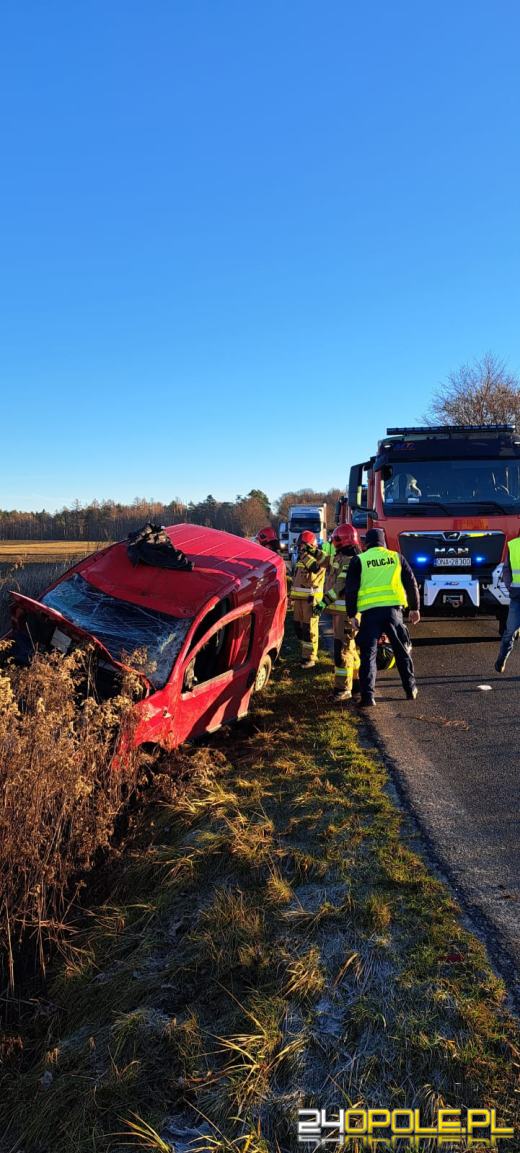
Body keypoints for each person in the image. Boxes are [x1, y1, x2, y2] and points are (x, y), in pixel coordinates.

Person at [344, 527, 421, 707]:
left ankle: (368, 696)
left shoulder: (359, 560)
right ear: (383, 541)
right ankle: (410, 689)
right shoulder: (396, 557)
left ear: (366, 544)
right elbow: (411, 582)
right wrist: (414, 608)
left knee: (368, 656)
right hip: (393, 613)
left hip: (369, 615)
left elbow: (351, 590)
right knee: (401, 652)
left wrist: (352, 614)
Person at [313, 522, 361, 702]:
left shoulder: (351, 561)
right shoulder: (341, 557)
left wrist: (322, 603)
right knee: (350, 649)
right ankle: (356, 683)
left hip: (347, 614)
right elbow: (326, 560)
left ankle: (343, 689)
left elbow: (340, 587)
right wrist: (312, 551)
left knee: (342, 652)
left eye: (336, 539)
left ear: (344, 540)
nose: (334, 542)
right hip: (340, 613)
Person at [291, 530, 329, 668]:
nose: (299, 548)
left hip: (311, 600)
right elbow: (297, 579)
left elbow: (314, 568)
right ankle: (305, 654)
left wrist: (305, 554)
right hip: (299, 600)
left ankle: (310, 657)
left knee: (309, 630)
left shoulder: (320, 558)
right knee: (299, 628)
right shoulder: (302, 559)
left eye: (302, 545)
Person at [495, 532, 520, 673]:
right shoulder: (514, 545)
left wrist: (510, 586)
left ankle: (501, 659)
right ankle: (501, 660)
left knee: (509, 631)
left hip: (516, 594)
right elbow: (506, 569)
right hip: (517, 596)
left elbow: (506, 571)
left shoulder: (514, 545)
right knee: (510, 631)